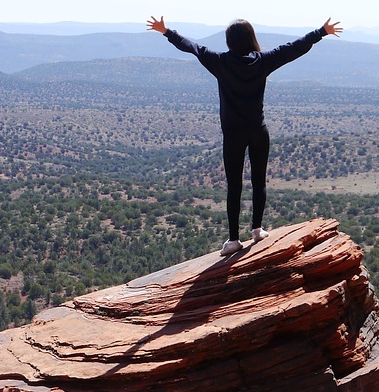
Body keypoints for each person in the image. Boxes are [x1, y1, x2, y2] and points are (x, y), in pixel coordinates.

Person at [146, 15, 342, 255]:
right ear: (251, 38)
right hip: (258, 130)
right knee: (259, 181)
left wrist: (167, 31)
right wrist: (321, 32)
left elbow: (192, 47)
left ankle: (233, 240)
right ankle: (257, 229)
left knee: (234, 186)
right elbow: (294, 48)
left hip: (233, 134)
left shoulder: (220, 62)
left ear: (229, 40)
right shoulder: (263, 61)